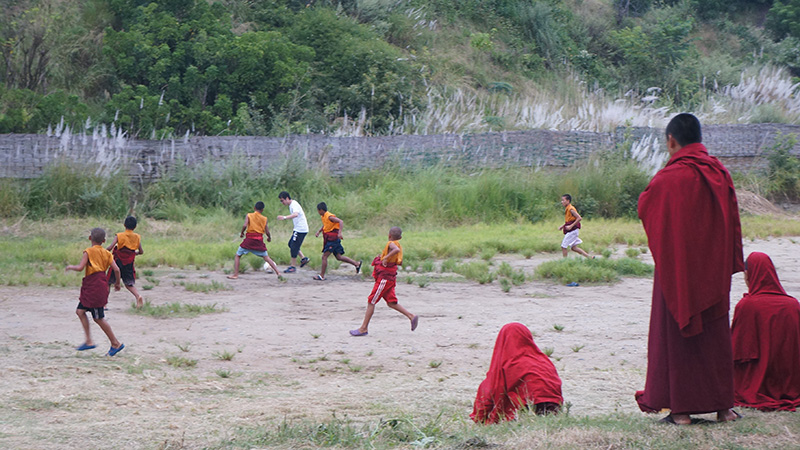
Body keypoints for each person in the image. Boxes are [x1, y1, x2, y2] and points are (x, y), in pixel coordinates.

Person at [635, 113, 744, 425]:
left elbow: (646, 207)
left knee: (679, 339)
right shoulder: (719, 173)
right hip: (714, 272)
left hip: (678, 273)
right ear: (699, 137)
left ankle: (681, 412)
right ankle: (724, 408)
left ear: (672, 141)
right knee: (715, 339)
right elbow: (732, 224)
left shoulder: (668, 179)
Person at [731, 252, 800, 412]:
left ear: (749, 275)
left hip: (756, 383)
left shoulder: (747, 306)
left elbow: (736, 350)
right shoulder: (793, 305)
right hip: (791, 383)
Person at [471, 323, 563, 424]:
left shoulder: (509, 362)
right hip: (553, 409)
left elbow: (490, 390)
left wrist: (480, 418)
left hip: (524, 412)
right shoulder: (544, 361)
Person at [65, 227, 125, 356]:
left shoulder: (88, 252)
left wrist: (71, 267)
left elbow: (81, 268)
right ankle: (89, 341)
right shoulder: (107, 253)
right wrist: (118, 283)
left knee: (99, 318)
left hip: (94, 287)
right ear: (104, 241)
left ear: (90, 238)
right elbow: (117, 270)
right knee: (80, 311)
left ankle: (115, 343)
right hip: (99, 285)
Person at [350, 226, 418, 336]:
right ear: (400, 237)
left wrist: (386, 258)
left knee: (371, 301)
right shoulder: (397, 243)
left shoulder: (392, 244)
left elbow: (396, 250)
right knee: (391, 302)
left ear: (389, 235)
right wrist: (383, 256)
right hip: (390, 278)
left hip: (385, 279)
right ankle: (411, 316)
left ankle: (363, 328)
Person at [227, 201, 282, 281]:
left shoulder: (249, 215)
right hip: (259, 240)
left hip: (249, 239)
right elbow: (267, 231)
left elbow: (245, 225)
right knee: (266, 257)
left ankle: (235, 274)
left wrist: (242, 233)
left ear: (254, 208)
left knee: (238, 255)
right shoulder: (264, 219)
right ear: (262, 210)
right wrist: (269, 238)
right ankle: (278, 273)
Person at [313, 202, 361, 281]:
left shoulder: (329, 216)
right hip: (331, 239)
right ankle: (356, 264)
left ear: (321, 210)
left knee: (324, 256)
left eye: (318, 211)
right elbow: (325, 225)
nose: (318, 212)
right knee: (339, 257)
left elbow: (340, 221)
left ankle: (321, 276)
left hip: (333, 239)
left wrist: (339, 233)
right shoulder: (323, 216)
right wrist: (319, 231)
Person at [106, 216, 144, 308]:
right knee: (128, 284)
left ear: (124, 225)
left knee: (108, 282)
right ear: (135, 227)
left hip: (118, 261)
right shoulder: (137, 237)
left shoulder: (119, 236)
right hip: (129, 263)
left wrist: (103, 251)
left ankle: (104, 304)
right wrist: (136, 253)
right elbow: (141, 251)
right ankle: (138, 296)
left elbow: (110, 248)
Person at [277, 191, 310, 273]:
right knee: (291, 244)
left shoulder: (294, 205)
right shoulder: (292, 205)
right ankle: (303, 258)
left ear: (287, 198)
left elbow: (296, 214)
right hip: (298, 229)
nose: (282, 202)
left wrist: (284, 217)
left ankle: (293, 267)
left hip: (300, 229)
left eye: (282, 200)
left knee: (294, 246)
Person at [558, 194, 591, 259]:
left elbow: (579, 218)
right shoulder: (567, 209)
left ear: (568, 201)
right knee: (574, 248)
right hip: (573, 231)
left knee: (563, 246)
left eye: (563, 200)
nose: (562, 202)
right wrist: (562, 226)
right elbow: (570, 220)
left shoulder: (571, 209)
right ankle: (590, 257)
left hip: (573, 231)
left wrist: (571, 226)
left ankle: (565, 262)